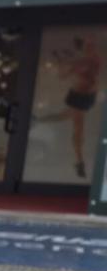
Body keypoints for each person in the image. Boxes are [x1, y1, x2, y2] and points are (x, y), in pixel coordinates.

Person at [58, 36, 101, 178]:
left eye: (92, 46)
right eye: (88, 47)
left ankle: (41, 120)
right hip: (78, 96)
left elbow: (93, 77)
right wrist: (64, 65)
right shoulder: (79, 62)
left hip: (88, 96)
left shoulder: (95, 60)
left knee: (68, 118)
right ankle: (79, 161)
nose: (91, 49)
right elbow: (63, 76)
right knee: (78, 126)